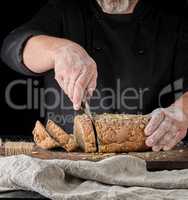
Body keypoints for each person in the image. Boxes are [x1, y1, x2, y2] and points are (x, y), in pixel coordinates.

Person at [1, 0, 188, 152]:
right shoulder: (64, 11)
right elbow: (12, 47)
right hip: (66, 162)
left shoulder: (174, 19)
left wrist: (182, 112)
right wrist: (59, 50)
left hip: (152, 159)